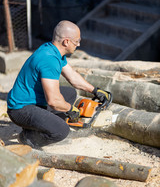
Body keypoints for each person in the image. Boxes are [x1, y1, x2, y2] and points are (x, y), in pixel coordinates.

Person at [7, 20, 109, 148]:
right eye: (76, 41)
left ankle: (46, 126)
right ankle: (29, 137)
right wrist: (70, 109)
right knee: (62, 131)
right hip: (20, 109)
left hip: (32, 101)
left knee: (70, 93)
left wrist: (95, 90)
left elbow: (72, 77)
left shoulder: (53, 50)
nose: (78, 44)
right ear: (66, 41)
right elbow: (53, 101)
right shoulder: (49, 60)